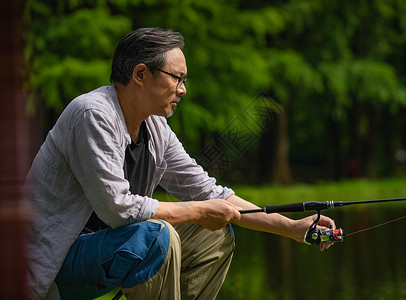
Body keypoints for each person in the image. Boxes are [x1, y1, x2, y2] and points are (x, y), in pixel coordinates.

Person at [25, 27, 335, 300]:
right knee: (158, 235)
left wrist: (293, 228)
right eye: (178, 78)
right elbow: (117, 208)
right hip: (56, 260)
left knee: (213, 236)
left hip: (109, 251)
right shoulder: (93, 114)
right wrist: (198, 211)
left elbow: (209, 192)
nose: (183, 90)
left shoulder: (156, 128)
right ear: (141, 74)